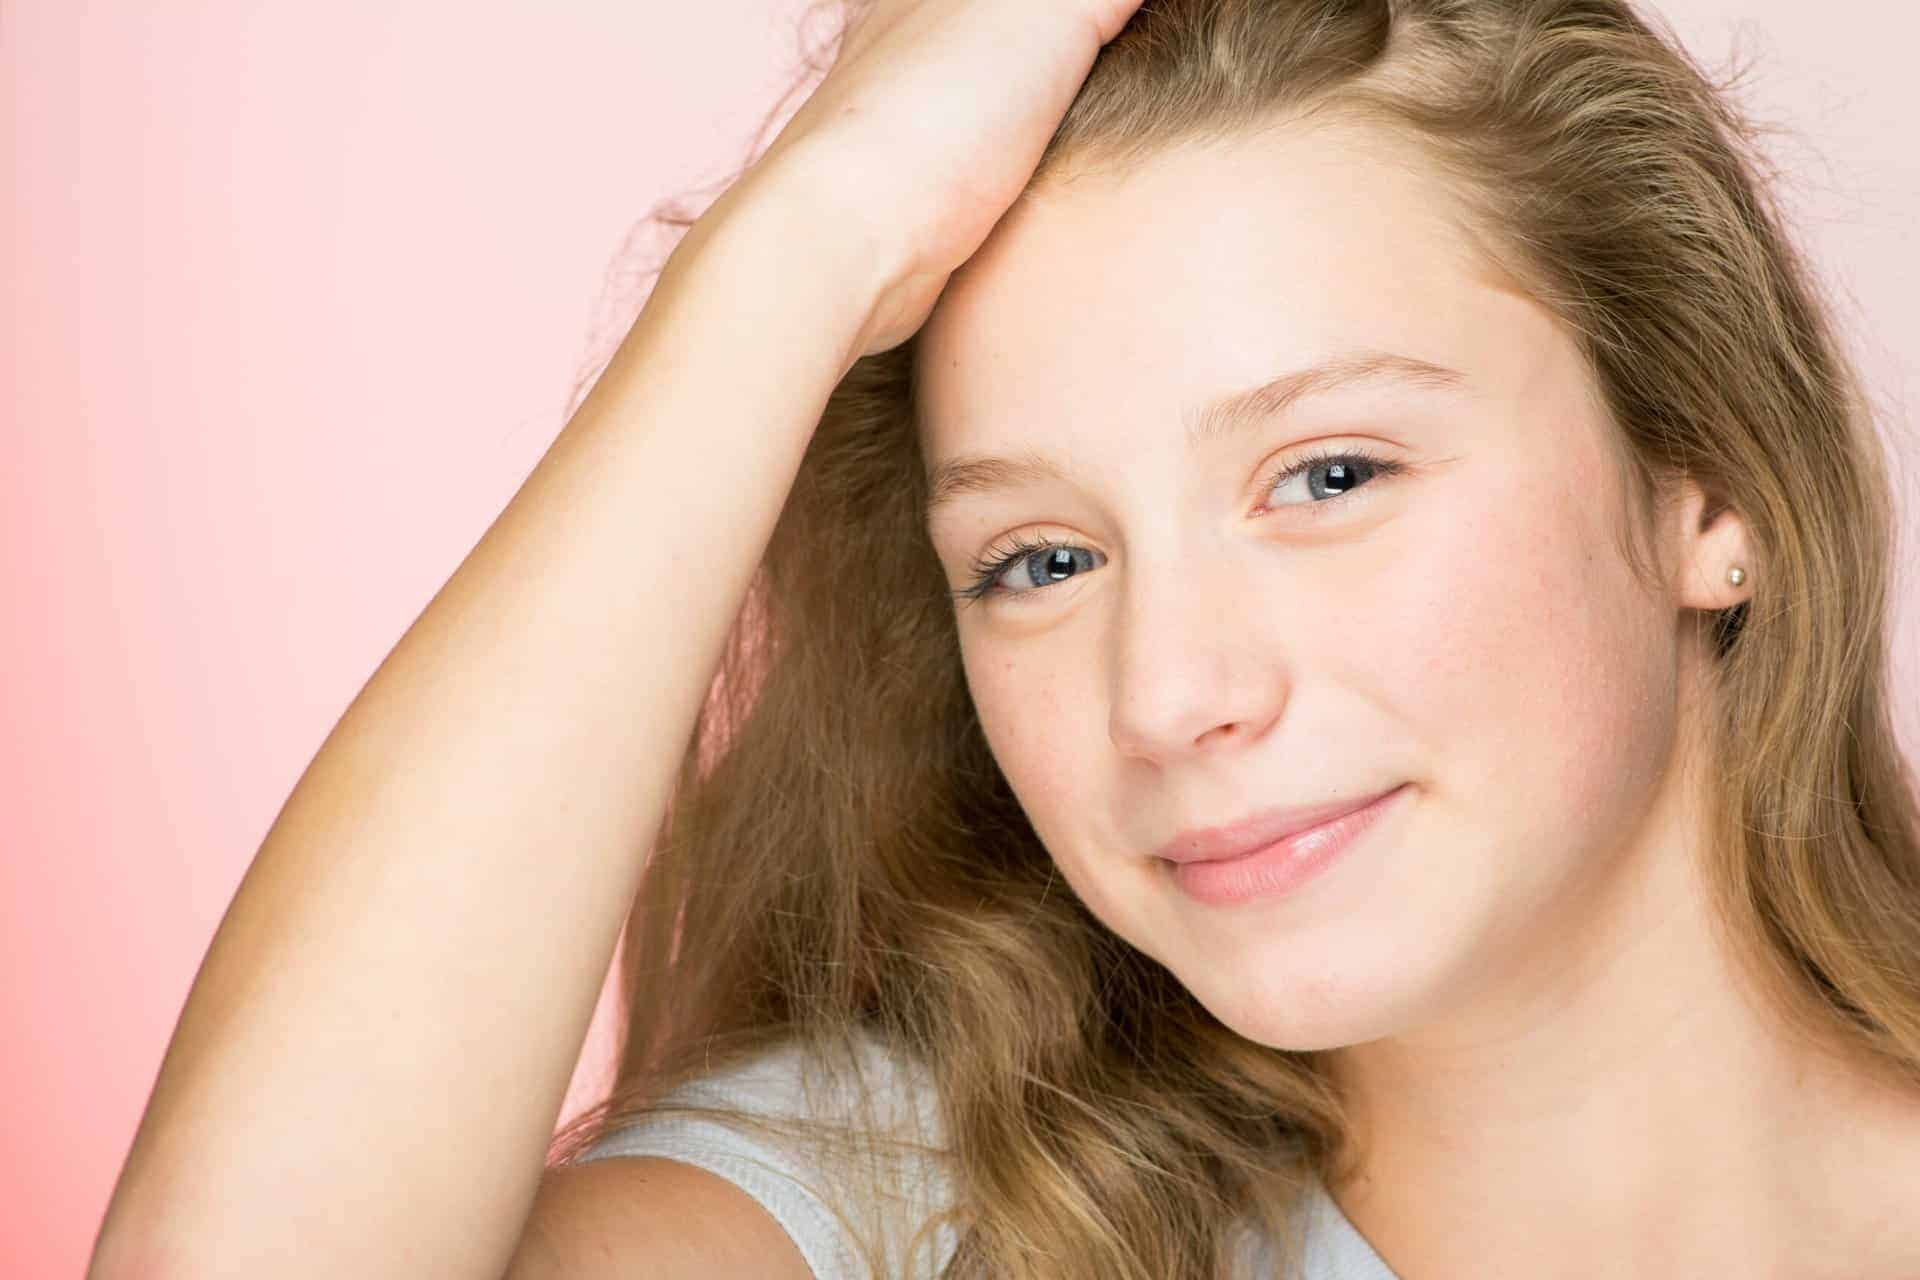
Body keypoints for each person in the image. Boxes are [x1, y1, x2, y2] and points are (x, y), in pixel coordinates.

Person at [90, 0, 1920, 1277]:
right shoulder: (912, 1209)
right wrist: (797, 242)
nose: (1174, 696)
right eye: (1039, 562)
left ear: (1705, 489)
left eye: (1329, 472)